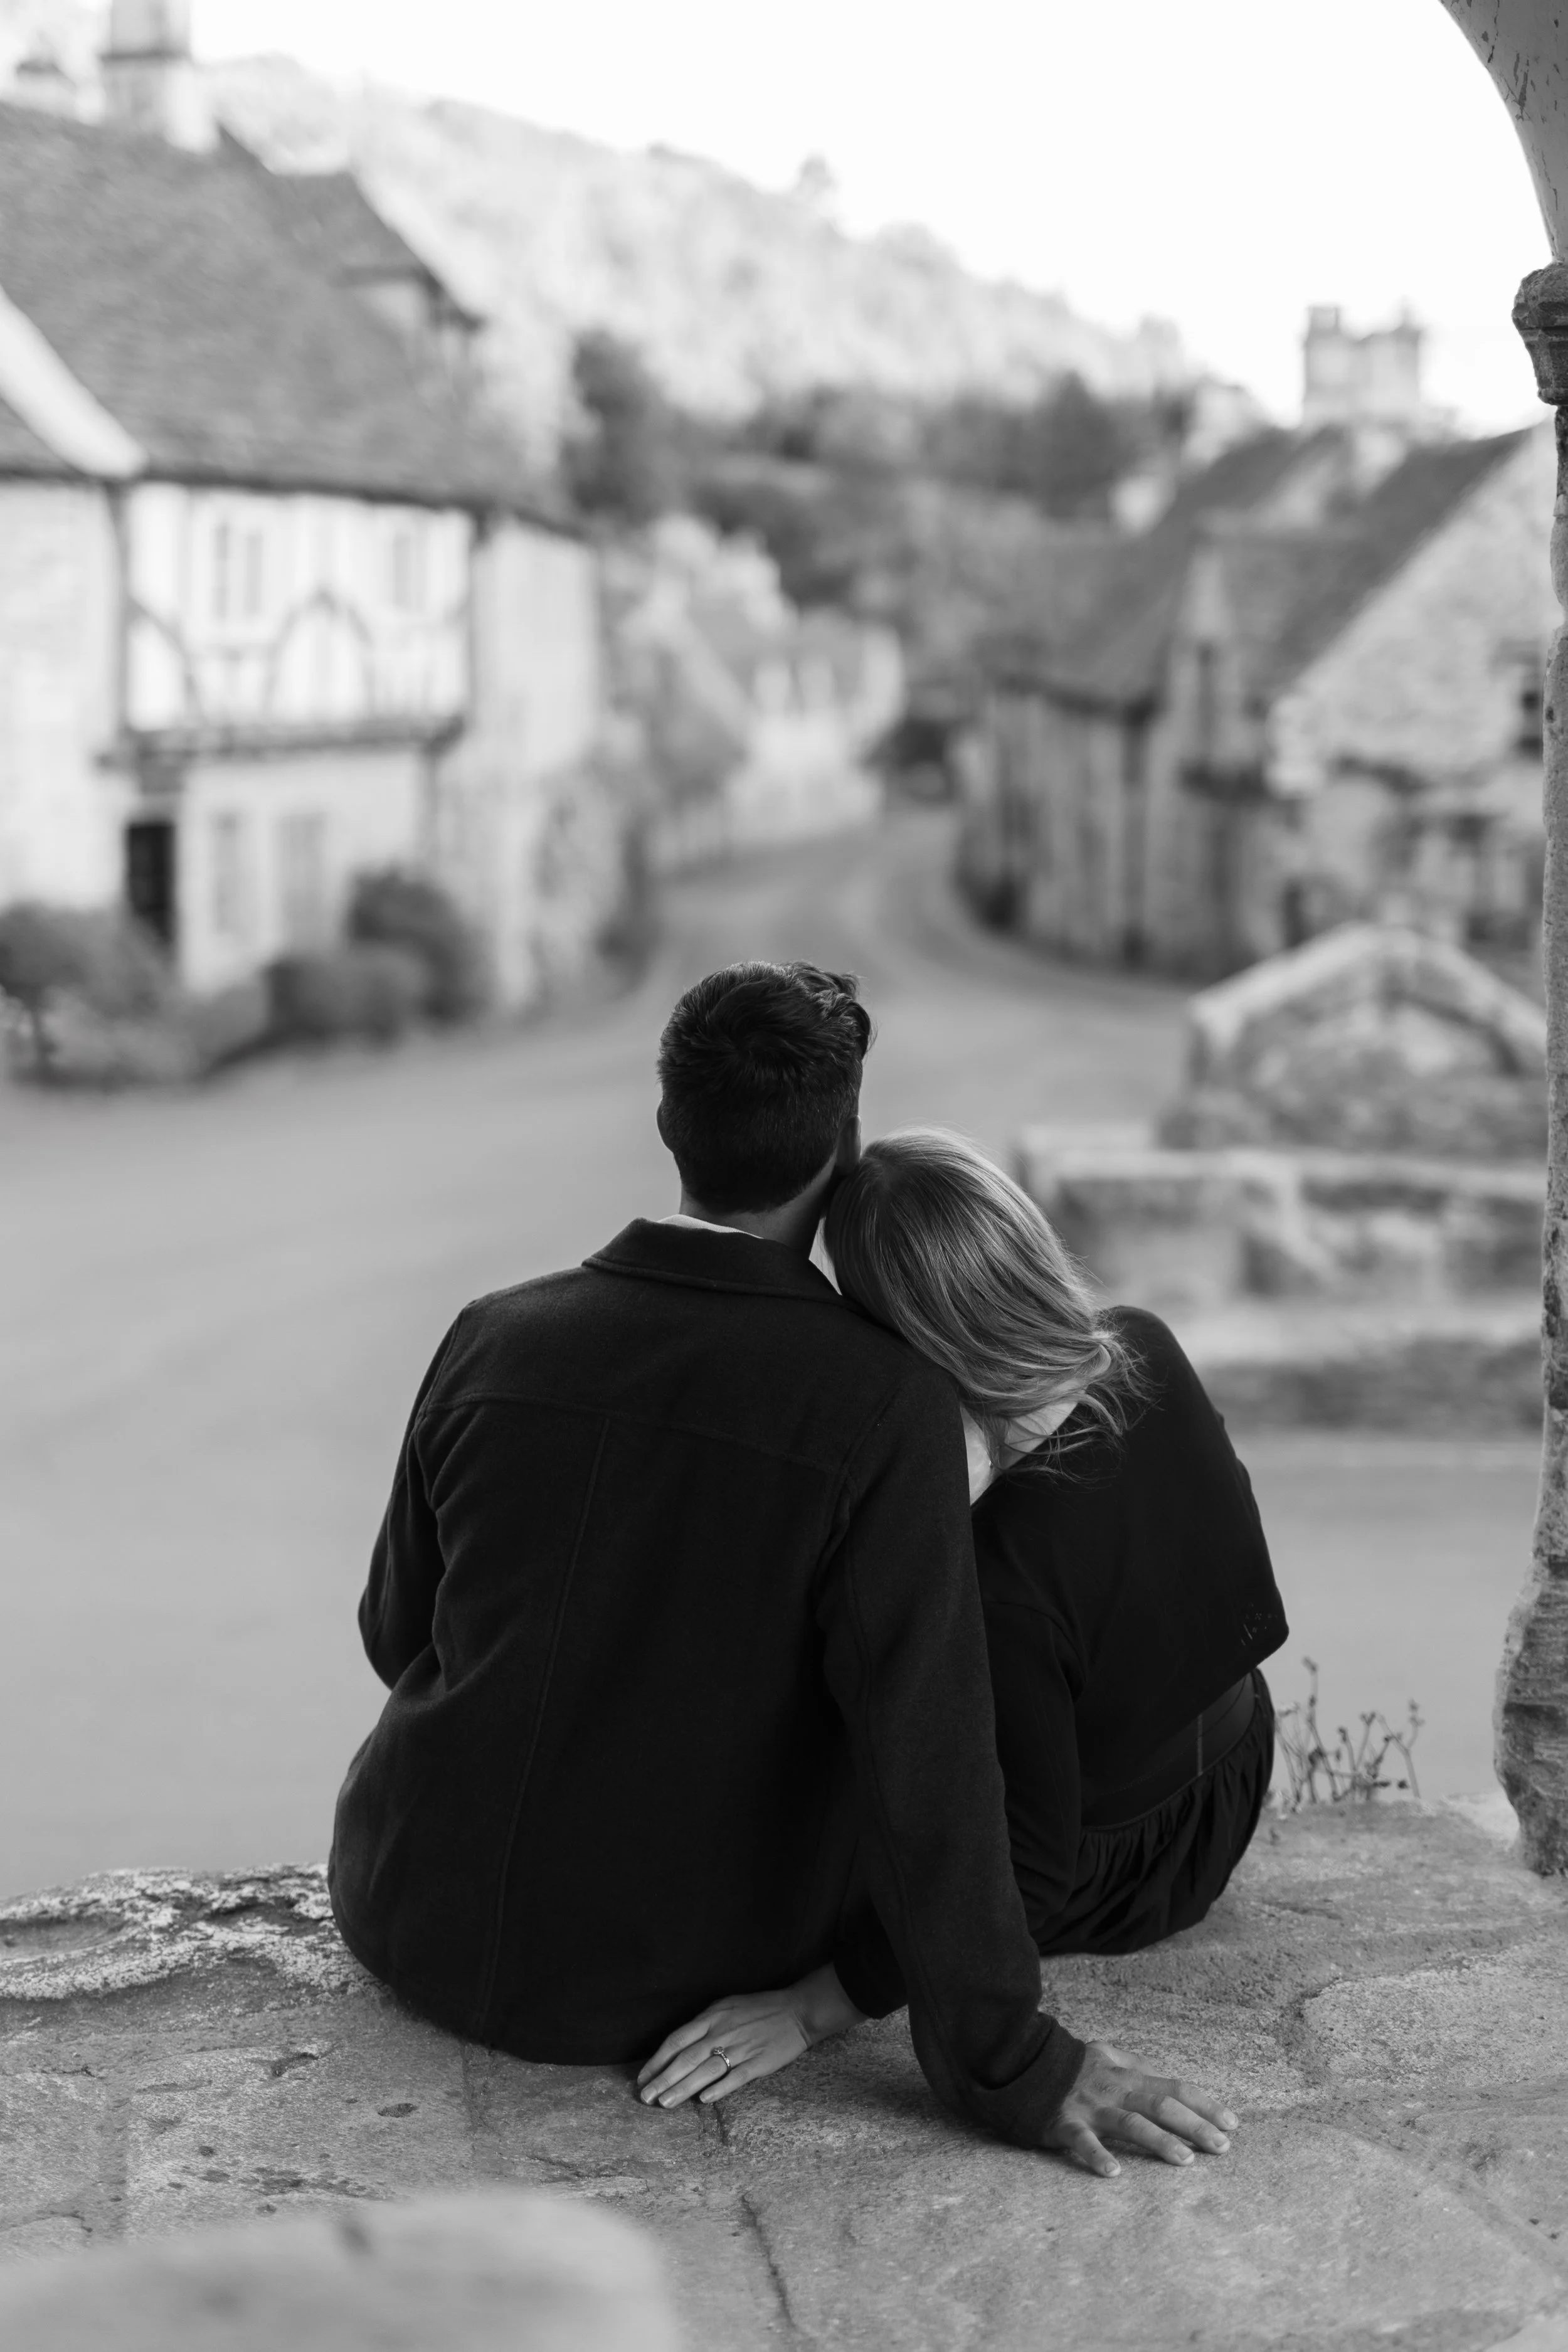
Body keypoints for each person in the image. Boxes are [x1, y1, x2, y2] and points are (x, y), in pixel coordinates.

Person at [331, 965, 1239, 2180]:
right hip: (667, 1979)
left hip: (405, 1908)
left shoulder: (489, 1331)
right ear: (846, 1138)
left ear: (666, 1125)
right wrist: (1011, 2064)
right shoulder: (884, 1405)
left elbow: (399, 1632)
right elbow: (931, 1767)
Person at [639, 1128, 1286, 2157]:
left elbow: (1015, 1875)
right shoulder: (1142, 1340)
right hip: (1238, 1770)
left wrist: (811, 2007)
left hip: (1127, 1869)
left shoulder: (994, 1570)